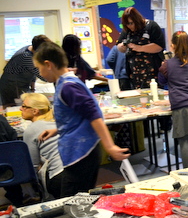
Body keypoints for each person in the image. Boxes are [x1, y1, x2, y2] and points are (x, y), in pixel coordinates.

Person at [34, 42, 130, 197]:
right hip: (78, 150)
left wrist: (110, 146)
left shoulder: (69, 87)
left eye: (39, 68)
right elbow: (77, 116)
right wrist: (57, 130)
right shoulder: (65, 82)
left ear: (48, 64)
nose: (40, 73)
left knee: (73, 200)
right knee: (80, 199)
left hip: (82, 153)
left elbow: (94, 116)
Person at [157, 31, 188, 168]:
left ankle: (187, 171)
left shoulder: (168, 64)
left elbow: (161, 81)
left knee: (183, 140)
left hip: (180, 104)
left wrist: (162, 68)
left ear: (172, 45)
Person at [20, 93, 64, 199]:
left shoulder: (31, 130)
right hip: (75, 171)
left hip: (58, 177)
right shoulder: (58, 123)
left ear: (35, 111)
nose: (20, 109)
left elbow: (33, 166)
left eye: (24, 106)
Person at [116, 7, 165, 89]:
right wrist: (122, 46)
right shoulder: (127, 30)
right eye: (127, 24)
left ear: (137, 20)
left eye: (131, 23)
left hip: (152, 73)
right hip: (134, 74)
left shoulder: (151, 26)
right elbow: (119, 47)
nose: (129, 26)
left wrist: (139, 48)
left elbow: (159, 46)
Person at [0, 35, 51, 107]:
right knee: (17, 108)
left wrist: (32, 89)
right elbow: (42, 76)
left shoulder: (30, 49)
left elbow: (32, 73)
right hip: (12, 86)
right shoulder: (26, 56)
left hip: (19, 84)